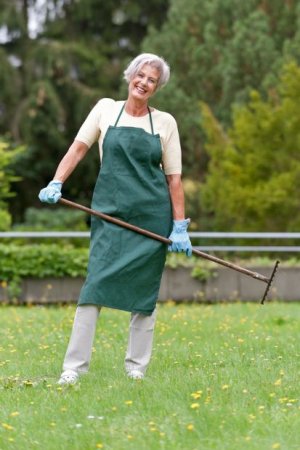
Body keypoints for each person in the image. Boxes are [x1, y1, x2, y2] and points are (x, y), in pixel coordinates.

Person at [38, 53, 192, 384]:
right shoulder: (106, 109)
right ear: (129, 76)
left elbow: (174, 179)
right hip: (109, 213)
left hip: (151, 216)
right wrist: (57, 181)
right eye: (140, 75)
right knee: (94, 287)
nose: (144, 82)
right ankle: (73, 369)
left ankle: (136, 369)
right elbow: (78, 148)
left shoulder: (165, 122)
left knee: (144, 294)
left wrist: (179, 226)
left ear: (157, 87)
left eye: (152, 79)